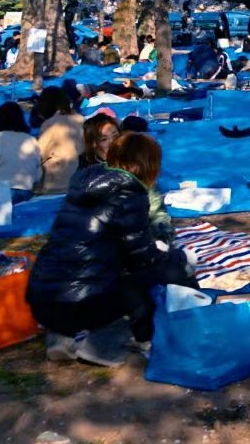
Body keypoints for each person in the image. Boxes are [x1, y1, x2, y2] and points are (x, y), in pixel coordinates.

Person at [26, 133, 188, 366]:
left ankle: (65, 334)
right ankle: (117, 339)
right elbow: (141, 258)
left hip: (42, 299)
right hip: (82, 304)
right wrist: (176, 258)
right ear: (144, 164)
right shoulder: (130, 194)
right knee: (158, 273)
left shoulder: (82, 184)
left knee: (101, 272)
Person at [34, 88, 85, 195]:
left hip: (57, 185)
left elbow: (39, 155)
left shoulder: (50, 124)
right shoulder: (81, 119)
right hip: (80, 181)